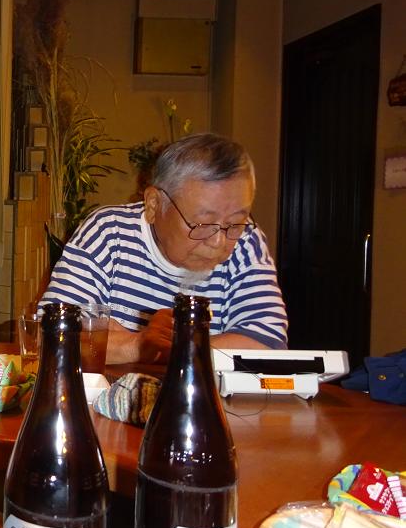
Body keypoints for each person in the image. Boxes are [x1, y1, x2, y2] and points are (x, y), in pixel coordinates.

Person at [43, 132, 287, 364]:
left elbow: (267, 344)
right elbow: (52, 332)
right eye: (202, 224)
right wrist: (140, 344)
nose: (219, 241)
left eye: (235, 222)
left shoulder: (247, 242)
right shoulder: (108, 233)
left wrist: (165, 349)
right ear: (153, 205)